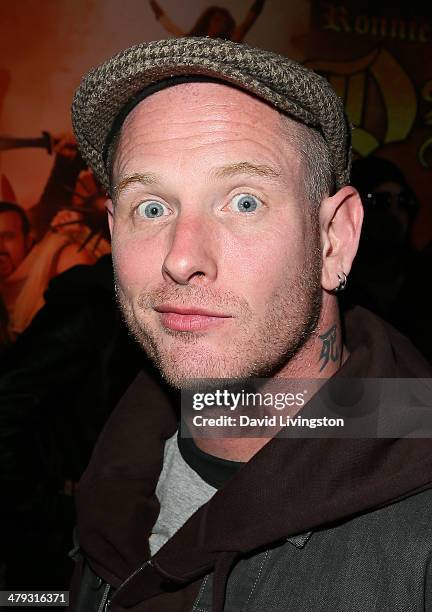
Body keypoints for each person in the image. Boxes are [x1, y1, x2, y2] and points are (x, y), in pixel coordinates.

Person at [70, 38, 432, 611]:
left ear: (335, 239)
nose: (181, 257)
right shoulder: (112, 480)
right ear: (114, 231)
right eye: (153, 207)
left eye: (243, 202)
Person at [149, 0, 266, 41]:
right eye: (217, 20)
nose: (221, 24)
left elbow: (248, 22)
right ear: (209, 21)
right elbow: (168, 24)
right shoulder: (194, 41)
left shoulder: (229, 43)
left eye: (224, 22)